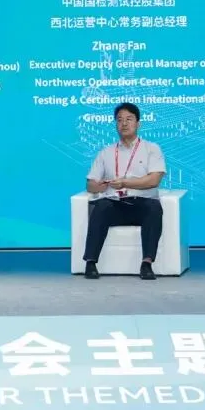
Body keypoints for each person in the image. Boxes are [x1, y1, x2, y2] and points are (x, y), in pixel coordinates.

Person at [82, 102, 166, 280]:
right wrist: (100, 186)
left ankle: (146, 264)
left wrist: (126, 183)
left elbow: (154, 180)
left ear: (138, 124)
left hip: (142, 204)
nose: (124, 123)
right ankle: (90, 262)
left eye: (129, 119)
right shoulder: (106, 152)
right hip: (116, 204)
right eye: (120, 120)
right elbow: (90, 185)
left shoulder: (151, 149)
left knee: (154, 208)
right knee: (101, 206)